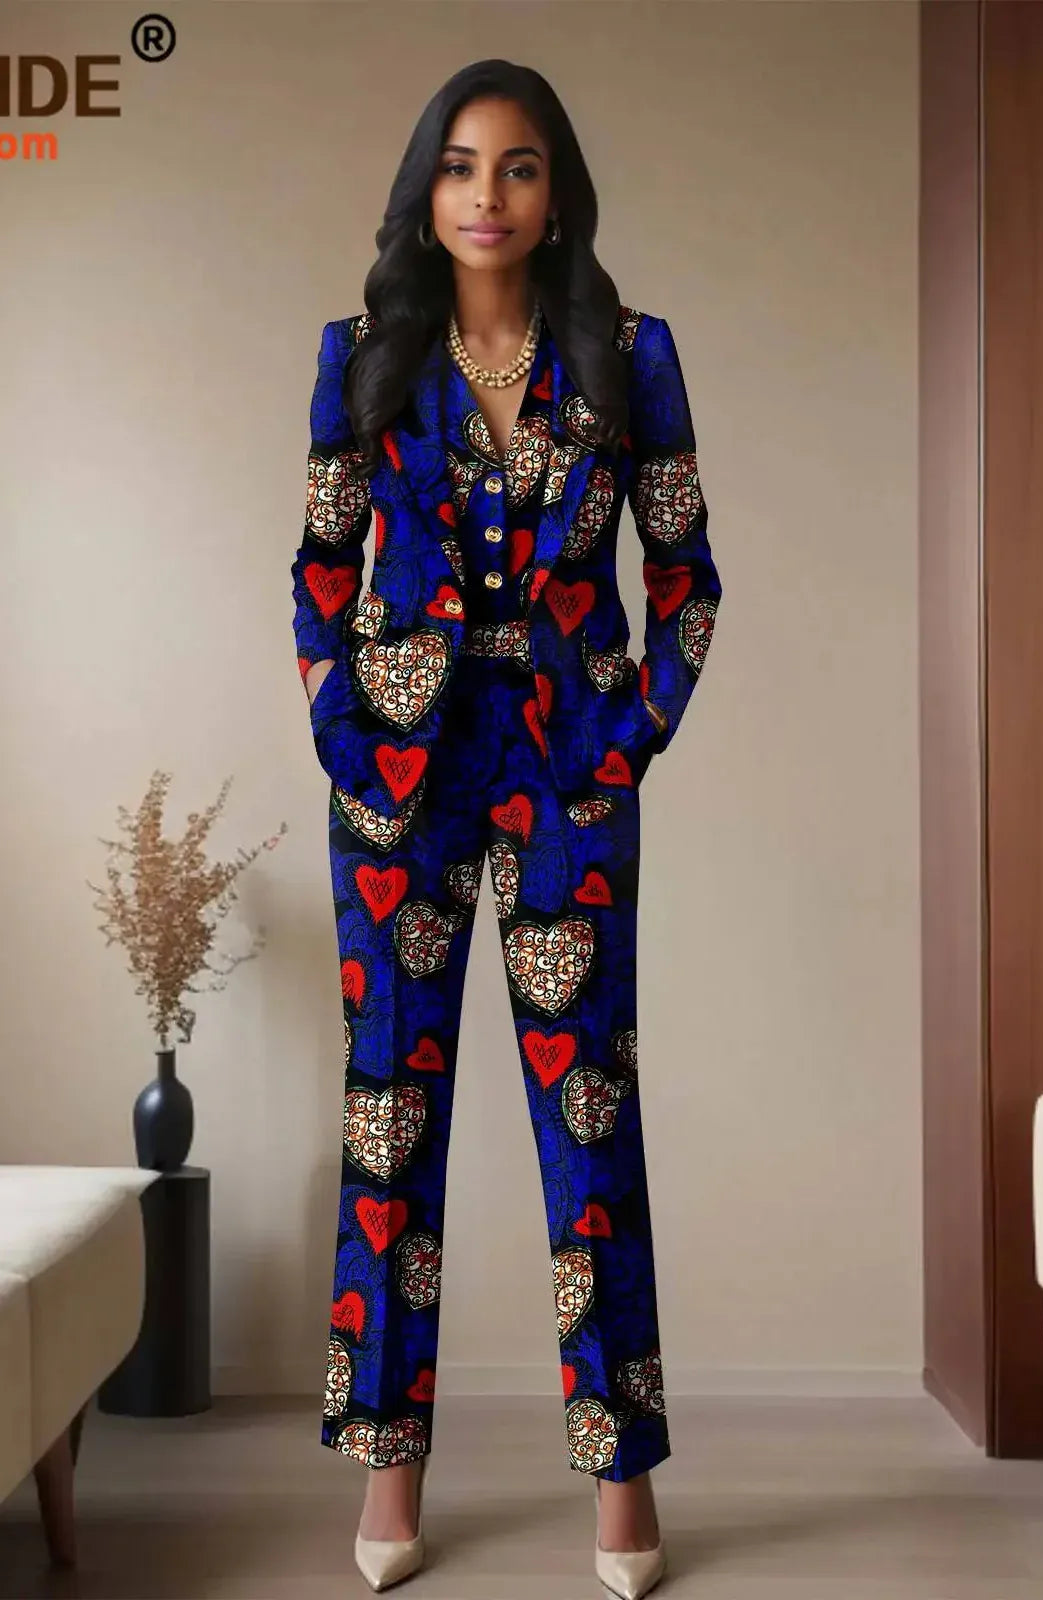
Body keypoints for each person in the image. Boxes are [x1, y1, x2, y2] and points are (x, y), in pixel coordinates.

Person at [289, 57, 721, 1598]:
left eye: (519, 167)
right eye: (461, 167)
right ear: (428, 191)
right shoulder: (362, 359)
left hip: (564, 778)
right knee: (389, 1125)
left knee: (584, 1127)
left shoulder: (631, 355)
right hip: (397, 784)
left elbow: (685, 578)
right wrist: (350, 743)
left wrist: (624, 741)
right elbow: (320, 573)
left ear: (557, 194)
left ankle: (623, 1494)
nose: (487, 195)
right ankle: (390, 1478)